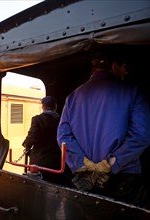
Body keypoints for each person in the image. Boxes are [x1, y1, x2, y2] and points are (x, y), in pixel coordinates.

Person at [57, 50, 150, 207]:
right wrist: (109, 165)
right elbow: (141, 136)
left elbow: (63, 136)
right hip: (122, 178)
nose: (127, 71)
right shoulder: (134, 92)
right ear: (114, 67)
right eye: (125, 66)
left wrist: (82, 163)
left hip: (84, 177)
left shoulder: (72, 97)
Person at [23, 96, 72, 184]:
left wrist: (26, 144)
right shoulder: (61, 120)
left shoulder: (37, 119)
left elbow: (32, 137)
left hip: (39, 161)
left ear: (43, 107)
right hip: (57, 161)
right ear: (55, 106)